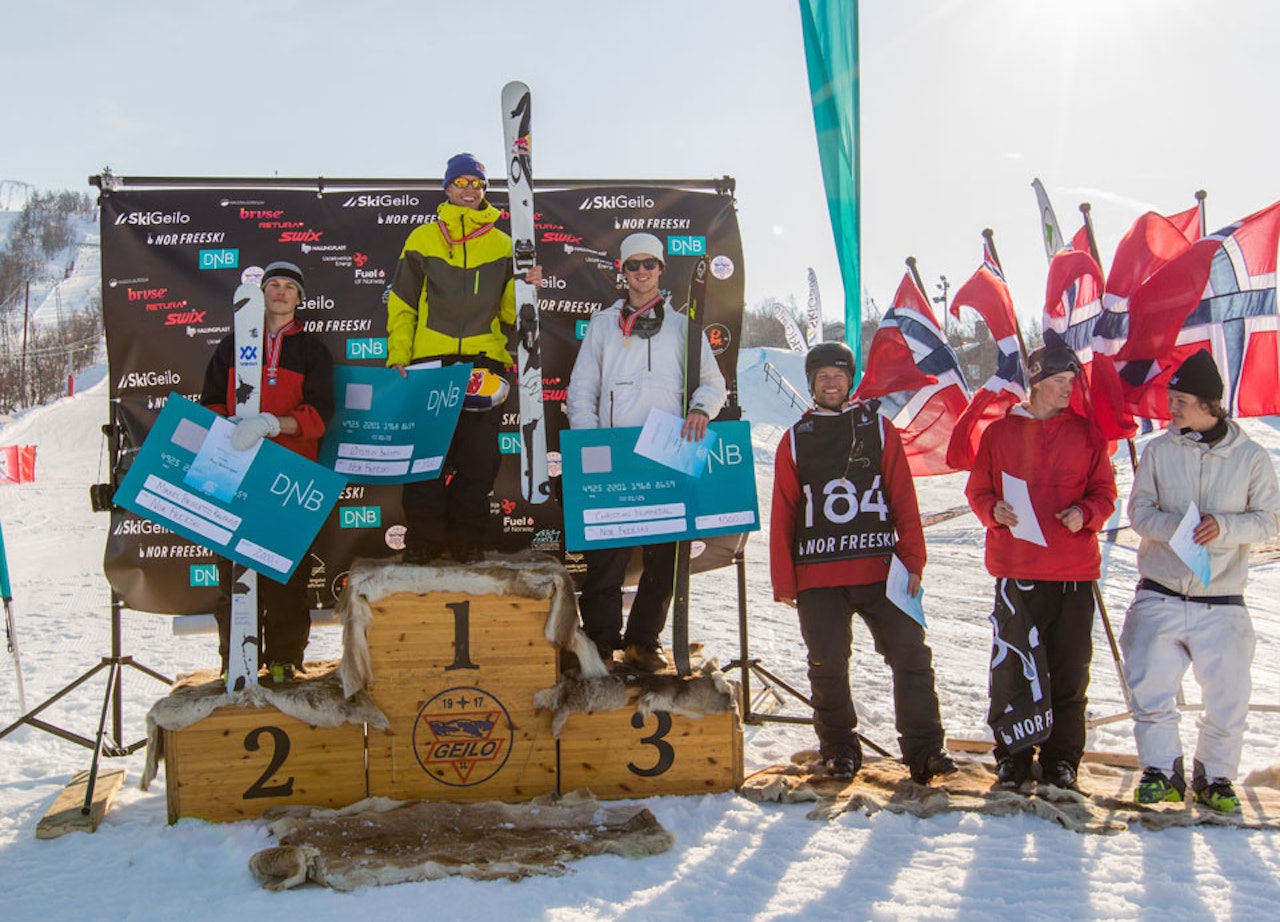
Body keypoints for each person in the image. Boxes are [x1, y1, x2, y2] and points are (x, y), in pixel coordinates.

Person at [769, 341, 955, 783]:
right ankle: (838, 749)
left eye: (838, 375)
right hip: (819, 572)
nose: (831, 383)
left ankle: (925, 750)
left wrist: (912, 559)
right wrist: (785, 581)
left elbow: (902, 496)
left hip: (880, 570)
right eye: (822, 378)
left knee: (911, 655)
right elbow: (784, 511)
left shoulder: (878, 427)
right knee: (827, 664)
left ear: (850, 380)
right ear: (811, 384)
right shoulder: (796, 438)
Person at [1121, 349, 1280, 813]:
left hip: (1223, 599)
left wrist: (1223, 528)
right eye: (1173, 399)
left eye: (1182, 400)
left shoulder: (1250, 457)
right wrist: (1178, 528)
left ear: (1211, 405)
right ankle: (1160, 771)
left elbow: (1269, 521)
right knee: (1150, 684)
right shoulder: (1157, 451)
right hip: (1160, 591)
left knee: (1229, 695)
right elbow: (1139, 513)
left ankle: (1215, 778)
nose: (1172, 408)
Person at [565, 232, 726, 672]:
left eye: (649, 265)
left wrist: (699, 409)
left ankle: (642, 643)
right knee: (607, 555)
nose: (641, 272)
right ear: (623, 271)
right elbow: (582, 389)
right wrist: (589, 442)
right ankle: (599, 643)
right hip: (613, 452)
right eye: (633, 265)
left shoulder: (684, 328)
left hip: (668, 450)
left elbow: (713, 385)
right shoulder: (602, 325)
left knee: (667, 556)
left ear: (660, 270)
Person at [964, 340, 1117, 791]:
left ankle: (1062, 759)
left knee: (1069, 671)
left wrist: (1086, 514)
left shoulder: (1087, 434)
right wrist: (993, 511)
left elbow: (1105, 494)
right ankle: (1012, 755)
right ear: (1035, 384)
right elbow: (978, 491)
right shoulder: (999, 433)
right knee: (1014, 667)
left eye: (1071, 382)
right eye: (1057, 382)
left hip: (1073, 573)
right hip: (1018, 568)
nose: (1067, 390)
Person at [385, 152, 539, 564]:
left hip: (482, 362)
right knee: (426, 462)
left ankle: (467, 540)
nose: (470, 190)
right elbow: (401, 304)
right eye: (462, 182)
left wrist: (525, 285)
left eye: (478, 184)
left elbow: (509, 313)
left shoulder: (503, 243)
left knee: (478, 461)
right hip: (429, 365)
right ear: (448, 188)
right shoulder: (422, 239)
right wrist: (398, 356)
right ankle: (424, 542)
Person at [200, 260, 334, 682]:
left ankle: (284, 660)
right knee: (233, 574)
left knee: (284, 574)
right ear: (259, 294)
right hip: (236, 473)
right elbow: (210, 405)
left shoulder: (312, 350)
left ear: (299, 298)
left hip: (289, 476)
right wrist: (229, 430)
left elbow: (319, 414)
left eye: (288, 287)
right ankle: (234, 663)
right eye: (272, 284)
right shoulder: (231, 345)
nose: (279, 292)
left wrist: (273, 425)